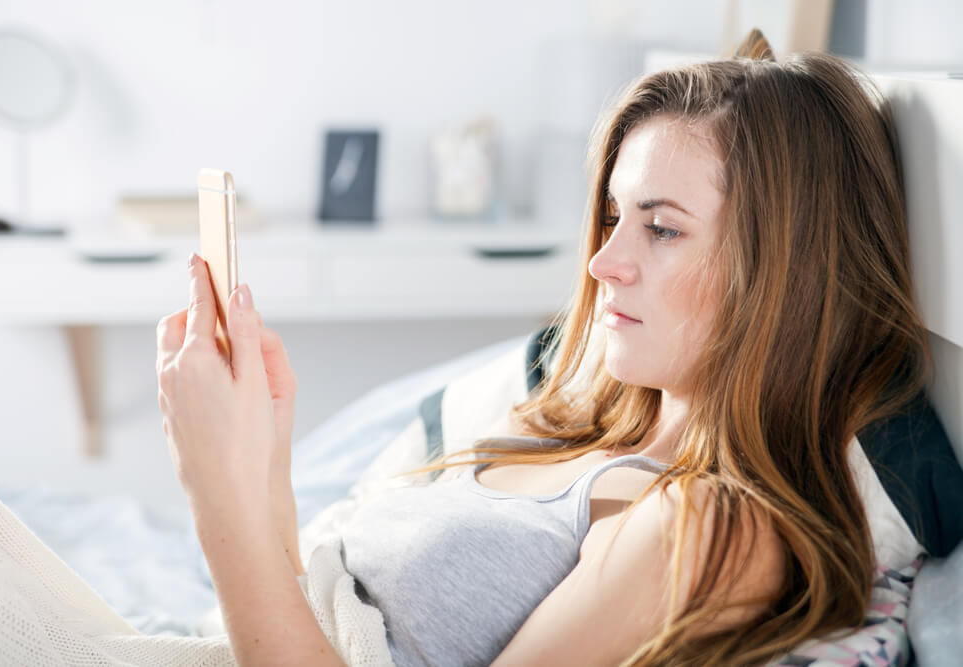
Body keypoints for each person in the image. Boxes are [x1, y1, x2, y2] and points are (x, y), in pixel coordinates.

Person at [155, 32, 931, 666]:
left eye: (661, 228)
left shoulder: (709, 526)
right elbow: (310, 609)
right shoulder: (576, 422)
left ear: (787, 272)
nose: (603, 263)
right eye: (612, 217)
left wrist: (214, 497)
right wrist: (260, 460)